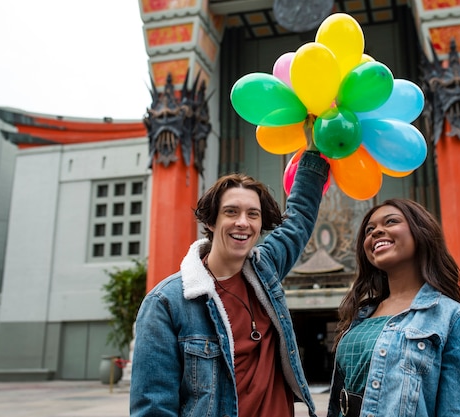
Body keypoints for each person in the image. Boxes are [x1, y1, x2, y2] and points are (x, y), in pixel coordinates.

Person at [130, 117, 329, 417]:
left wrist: (313, 150)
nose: (242, 223)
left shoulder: (266, 269)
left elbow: (299, 218)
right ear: (211, 221)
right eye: (231, 212)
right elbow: (153, 407)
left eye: (253, 214)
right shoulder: (167, 304)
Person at [327, 198, 460, 417]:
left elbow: (458, 410)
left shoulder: (451, 317)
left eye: (390, 222)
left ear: (421, 232)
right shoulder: (360, 315)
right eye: (369, 229)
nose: (375, 232)